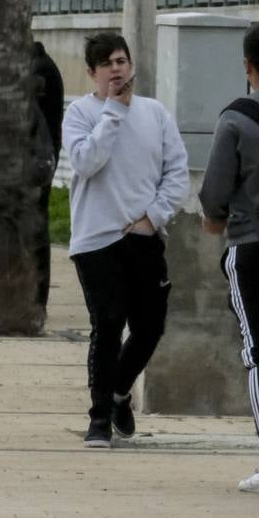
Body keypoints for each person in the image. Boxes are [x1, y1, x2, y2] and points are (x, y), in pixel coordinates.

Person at [63, 32, 189, 448]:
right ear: (92, 73)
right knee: (108, 325)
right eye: (107, 64)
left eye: (121, 61)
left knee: (150, 326)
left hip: (143, 236)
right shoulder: (80, 113)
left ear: (131, 65)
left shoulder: (155, 113)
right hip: (96, 241)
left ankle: (120, 393)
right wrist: (113, 112)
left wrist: (153, 218)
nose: (116, 69)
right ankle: (99, 417)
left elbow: (176, 172)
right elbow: (86, 162)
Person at [199, 21, 259, 495]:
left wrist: (216, 219)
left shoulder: (237, 118)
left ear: (247, 66)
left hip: (255, 247)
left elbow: (214, 194)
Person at [32, 40, 66, 312]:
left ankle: (35, 299)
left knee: (34, 226)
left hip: (38, 159)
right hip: (44, 155)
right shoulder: (42, 64)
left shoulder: (39, 69)